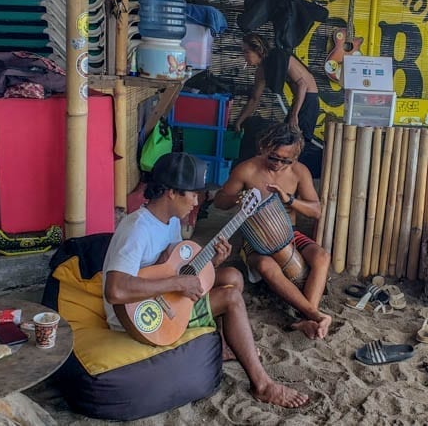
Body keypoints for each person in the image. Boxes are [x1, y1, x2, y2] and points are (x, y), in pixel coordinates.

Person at [102, 152, 308, 408]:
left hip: (163, 297)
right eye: (192, 194)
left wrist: (213, 263)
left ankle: (222, 344)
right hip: (141, 316)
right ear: (171, 193)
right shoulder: (137, 229)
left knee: (231, 275)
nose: (197, 201)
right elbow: (116, 290)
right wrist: (178, 284)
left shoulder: (170, 221)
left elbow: (176, 269)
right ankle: (262, 385)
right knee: (231, 297)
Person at [214, 123, 332, 340]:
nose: (278, 164)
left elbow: (316, 211)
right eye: (274, 157)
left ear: (295, 156)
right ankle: (314, 314)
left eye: (286, 160)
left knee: (322, 256)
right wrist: (239, 197)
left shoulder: (299, 172)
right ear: (263, 147)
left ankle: (307, 316)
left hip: (290, 232)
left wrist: (290, 200)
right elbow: (219, 201)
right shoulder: (247, 169)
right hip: (255, 238)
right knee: (266, 266)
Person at [234, 33, 320, 145]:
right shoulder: (261, 70)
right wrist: (239, 122)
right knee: (287, 139)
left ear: (258, 51)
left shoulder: (279, 56)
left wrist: (294, 115)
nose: (244, 56)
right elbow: (255, 99)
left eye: (247, 52)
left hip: (308, 99)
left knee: (297, 141)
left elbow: (302, 84)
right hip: (298, 100)